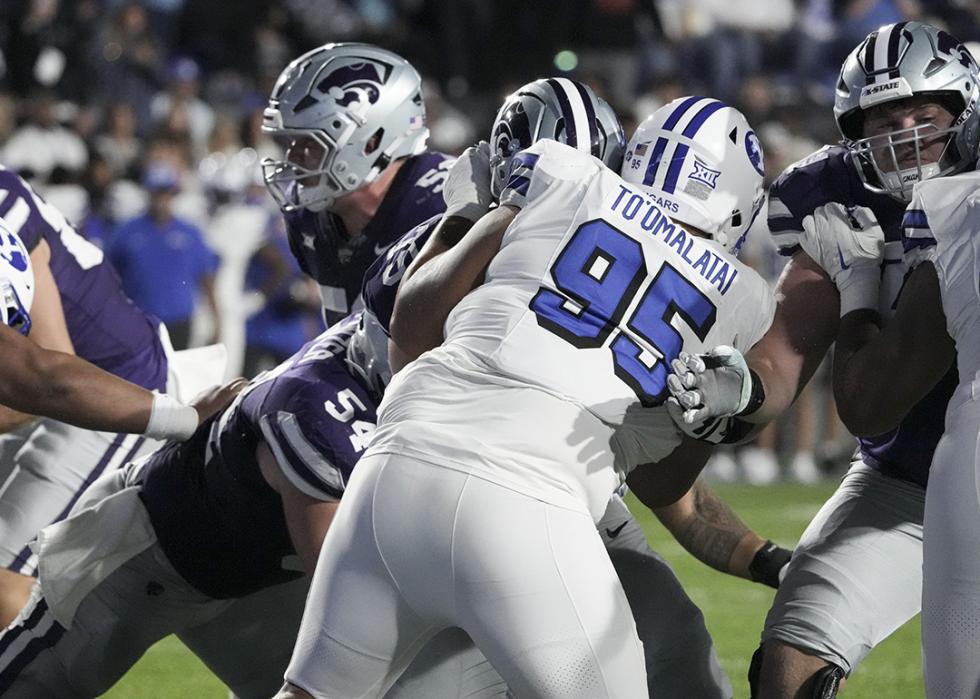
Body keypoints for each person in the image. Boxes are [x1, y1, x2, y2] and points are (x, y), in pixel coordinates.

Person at [276, 95, 774, 699]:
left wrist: (462, 213)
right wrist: (717, 421)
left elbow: (412, 328)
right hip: (530, 506)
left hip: (393, 469)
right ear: (743, 202)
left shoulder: (560, 171)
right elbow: (665, 486)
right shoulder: (745, 300)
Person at [665, 20, 979, 698]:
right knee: (792, 657)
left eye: (924, 115)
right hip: (906, 477)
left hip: (943, 446)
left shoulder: (965, 204)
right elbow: (786, 354)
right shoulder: (837, 199)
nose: (904, 136)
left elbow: (871, 395)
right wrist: (741, 385)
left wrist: (863, 287)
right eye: (883, 119)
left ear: (965, 110)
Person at [0, 166, 227, 627]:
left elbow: (42, 377)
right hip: (44, 385)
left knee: (5, 583)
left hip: (102, 392)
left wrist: (181, 419)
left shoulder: (5, 206)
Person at [261, 42, 452, 327]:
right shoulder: (308, 218)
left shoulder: (446, 204)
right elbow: (346, 344)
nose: (292, 157)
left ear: (370, 142)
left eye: (310, 142)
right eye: (290, 142)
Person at [107, 162, 222, 350]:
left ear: (173, 194)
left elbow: (206, 278)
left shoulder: (190, 233)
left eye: (165, 191)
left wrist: (217, 320)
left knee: (178, 376)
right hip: (138, 322)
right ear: (148, 193)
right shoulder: (125, 232)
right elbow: (108, 279)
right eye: (156, 191)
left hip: (179, 322)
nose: (161, 197)